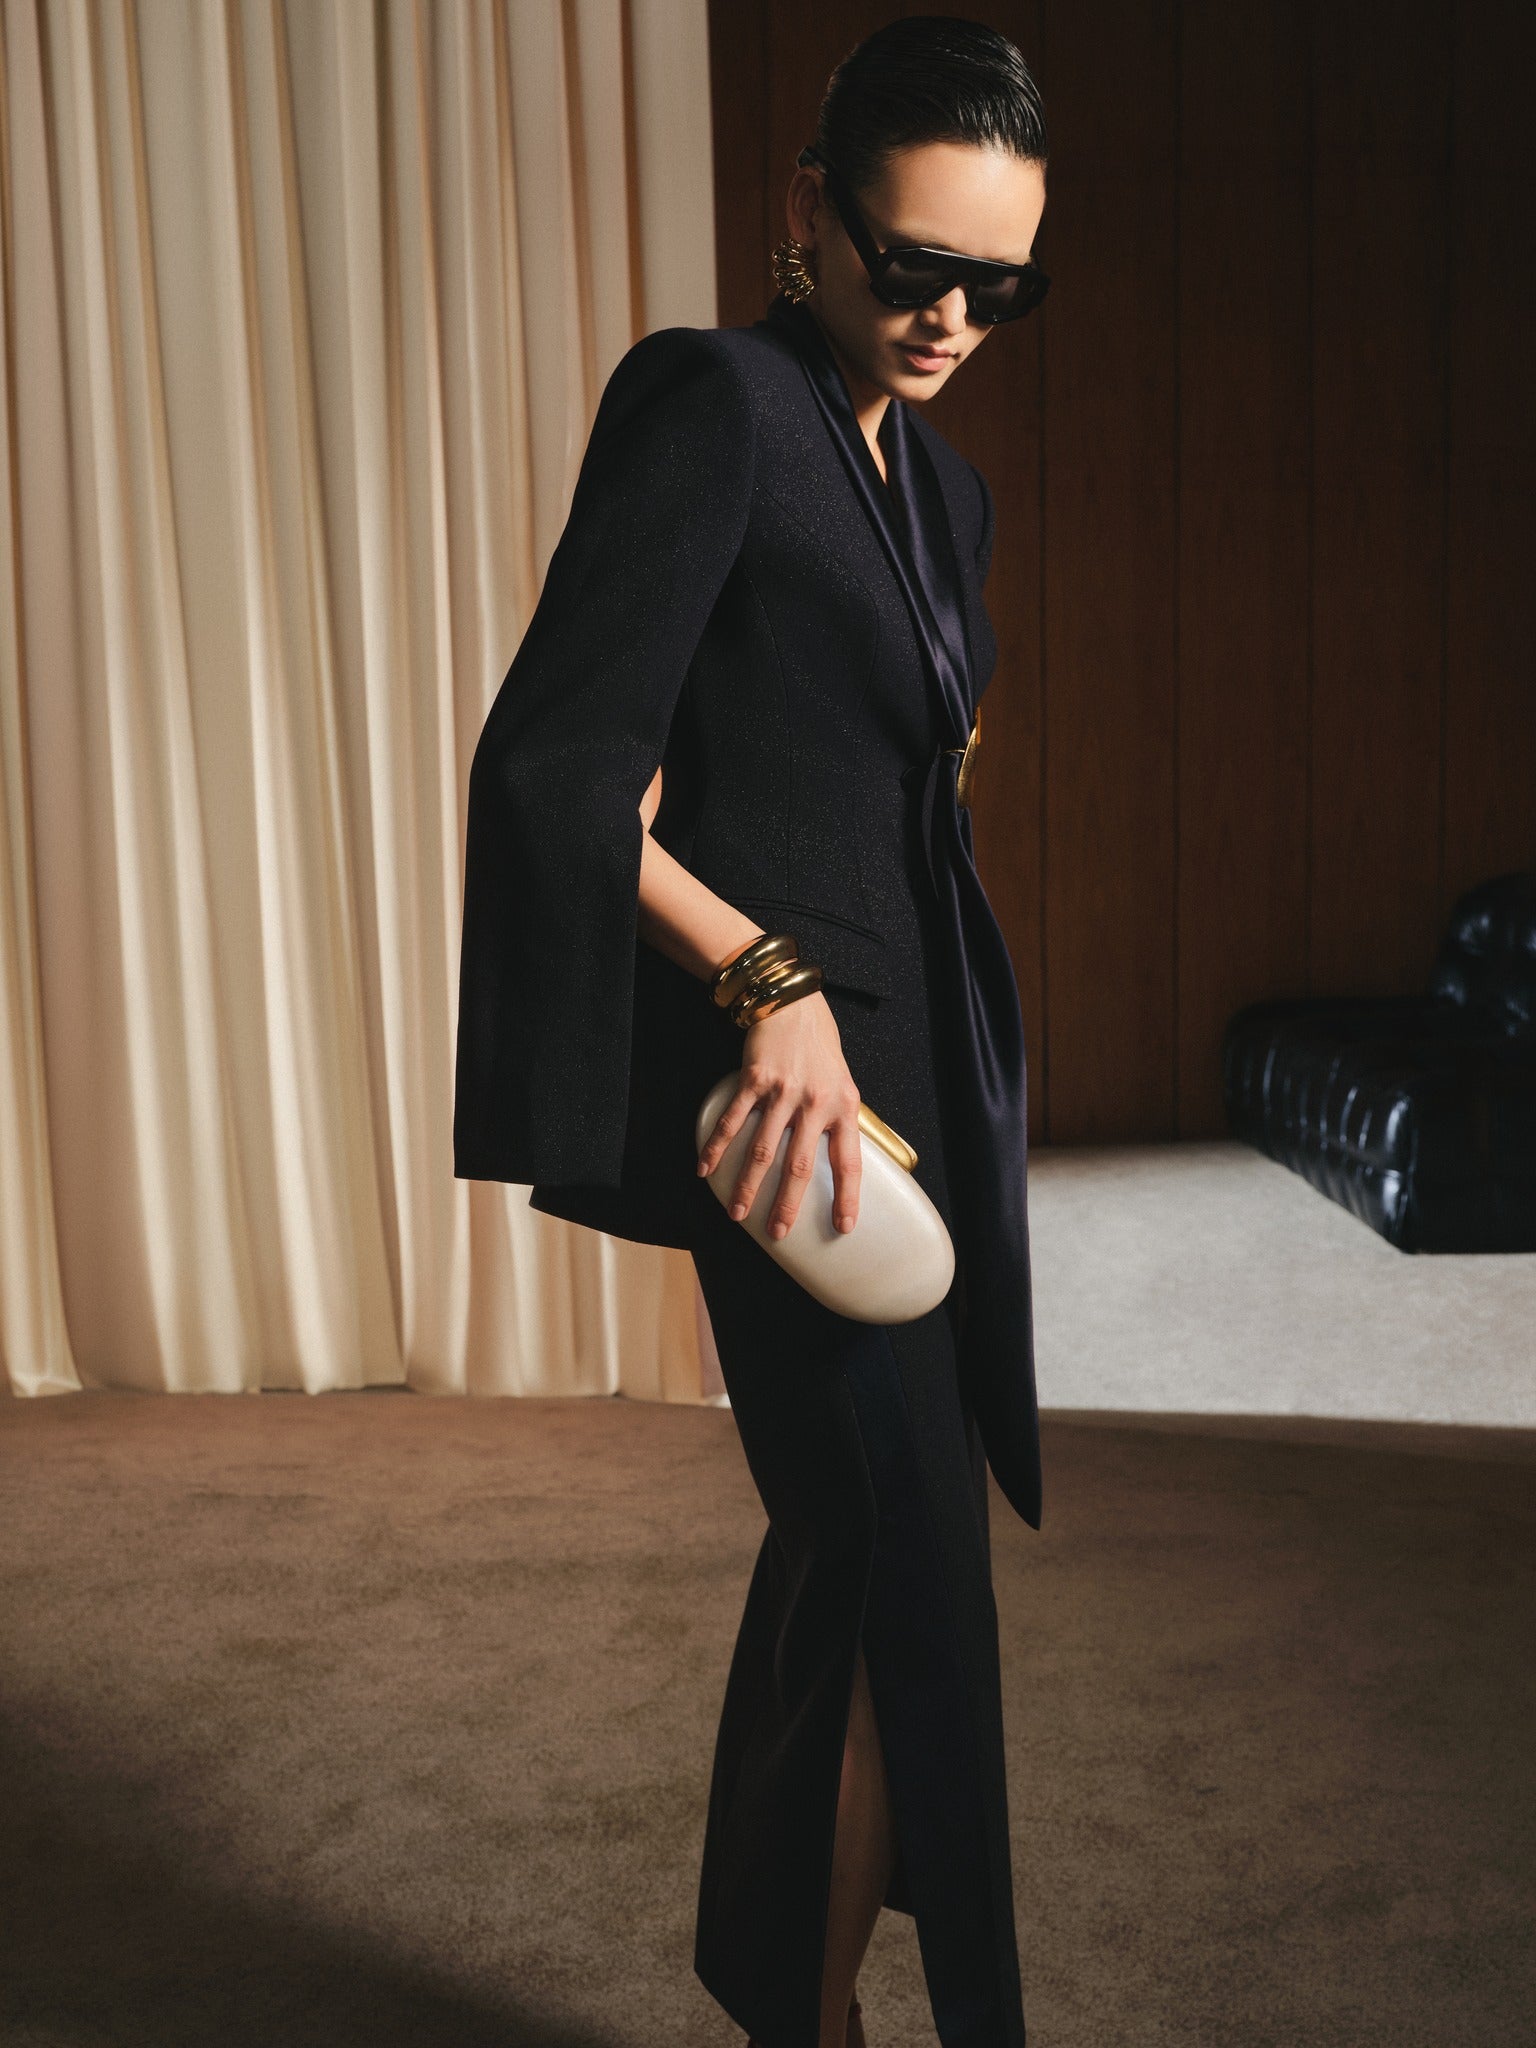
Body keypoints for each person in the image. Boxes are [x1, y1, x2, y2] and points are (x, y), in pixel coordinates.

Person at [453, 17, 1050, 2047]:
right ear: (807, 213)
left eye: (999, 283)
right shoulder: (713, 402)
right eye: (913, 264)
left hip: (926, 1086)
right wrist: (767, 986)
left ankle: (794, 2007)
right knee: (894, 1567)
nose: (952, 317)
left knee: (876, 1583)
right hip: (786, 1102)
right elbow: (562, 768)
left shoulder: (948, 494)